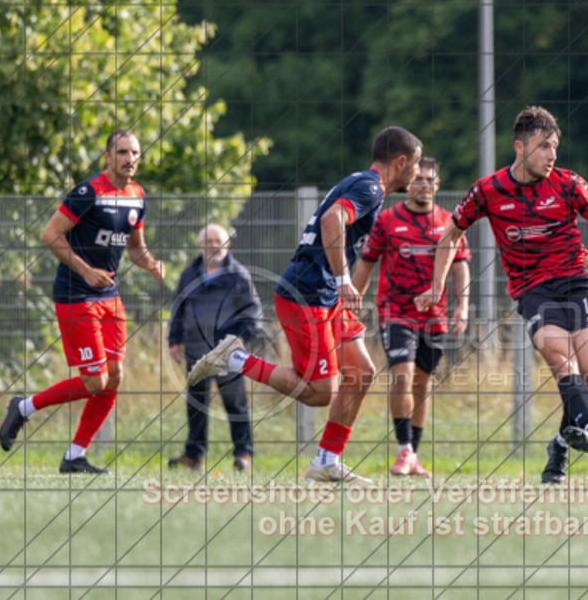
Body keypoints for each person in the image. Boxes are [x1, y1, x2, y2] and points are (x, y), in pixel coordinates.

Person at [187, 126, 423, 482]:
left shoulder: (360, 182)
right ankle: (234, 358)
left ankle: (326, 462)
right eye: (417, 165)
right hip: (307, 295)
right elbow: (332, 220)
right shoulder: (371, 188)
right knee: (319, 394)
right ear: (401, 161)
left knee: (360, 373)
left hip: (324, 296)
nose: (418, 174)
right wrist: (344, 280)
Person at [415, 106, 588, 485]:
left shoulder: (568, 183)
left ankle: (560, 443)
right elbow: (450, 236)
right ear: (520, 147)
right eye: (543, 147)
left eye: (555, 147)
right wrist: (436, 286)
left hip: (577, 277)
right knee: (561, 359)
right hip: (532, 289)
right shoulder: (487, 191)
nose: (552, 155)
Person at [0, 130, 165, 474]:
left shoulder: (137, 195)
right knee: (95, 382)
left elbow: (134, 246)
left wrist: (148, 261)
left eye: (134, 152)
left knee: (115, 377)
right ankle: (24, 406)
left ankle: (75, 456)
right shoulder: (88, 192)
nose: (129, 158)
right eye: (121, 152)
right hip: (76, 295)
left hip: (110, 297)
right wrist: (87, 271)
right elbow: (50, 234)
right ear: (107, 157)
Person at [352, 157, 471, 478]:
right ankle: (404, 450)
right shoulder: (387, 220)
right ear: (409, 183)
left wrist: (462, 307)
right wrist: (352, 301)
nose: (423, 185)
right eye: (418, 179)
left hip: (435, 317)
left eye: (430, 180)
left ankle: (414, 454)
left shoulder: (448, 221)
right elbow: (366, 261)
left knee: (422, 382)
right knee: (402, 375)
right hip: (395, 312)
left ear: (438, 184)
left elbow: (460, 267)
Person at [167, 223, 264, 473]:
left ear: (227, 244)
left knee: (236, 404)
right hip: (196, 350)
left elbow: (253, 315)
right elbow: (178, 308)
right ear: (200, 245)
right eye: (207, 241)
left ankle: (244, 455)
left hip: (229, 355)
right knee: (196, 405)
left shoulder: (238, 275)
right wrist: (174, 341)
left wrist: (236, 344)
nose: (212, 246)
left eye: (217, 241)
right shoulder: (189, 273)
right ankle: (194, 456)